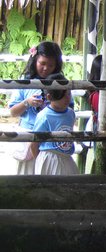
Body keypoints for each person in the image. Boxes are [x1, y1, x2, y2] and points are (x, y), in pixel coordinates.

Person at [8, 41, 63, 175]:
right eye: (42, 63)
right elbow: (13, 112)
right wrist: (27, 102)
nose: (46, 68)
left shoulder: (60, 83)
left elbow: (67, 107)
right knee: (26, 177)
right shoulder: (24, 81)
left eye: (50, 65)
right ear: (34, 60)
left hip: (50, 139)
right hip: (27, 135)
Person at [30, 73, 78, 175]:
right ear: (49, 97)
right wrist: (40, 161)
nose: (67, 98)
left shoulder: (71, 113)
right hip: (50, 157)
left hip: (66, 156)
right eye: (61, 96)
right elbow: (34, 144)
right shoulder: (44, 116)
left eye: (68, 94)